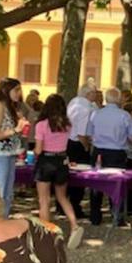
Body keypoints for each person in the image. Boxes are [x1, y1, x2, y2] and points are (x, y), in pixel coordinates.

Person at [33, 94, 84, 248]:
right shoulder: (67, 125)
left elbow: (38, 149)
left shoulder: (41, 124)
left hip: (46, 161)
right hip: (62, 161)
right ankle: (74, 225)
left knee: (44, 200)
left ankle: (47, 233)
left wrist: (34, 152)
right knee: (62, 197)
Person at [86, 88, 132, 226]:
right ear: (119, 99)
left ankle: (95, 216)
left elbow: (89, 133)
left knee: (96, 184)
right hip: (117, 153)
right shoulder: (124, 115)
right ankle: (117, 216)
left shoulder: (96, 114)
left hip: (99, 151)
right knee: (117, 184)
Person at [0, 78, 29, 217]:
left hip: (9, 154)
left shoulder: (11, 108)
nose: (19, 93)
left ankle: (3, 225)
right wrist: (15, 129)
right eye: (16, 90)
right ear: (5, 90)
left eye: (19, 90)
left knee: (7, 195)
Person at [66, 85, 98, 217]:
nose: (96, 95)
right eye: (94, 93)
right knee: (80, 176)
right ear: (89, 94)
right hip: (79, 144)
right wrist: (86, 146)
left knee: (70, 174)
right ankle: (75, 206)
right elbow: (81, 132)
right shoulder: (86, 108)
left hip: (69, 142)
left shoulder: (74, 102)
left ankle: (64, 204)